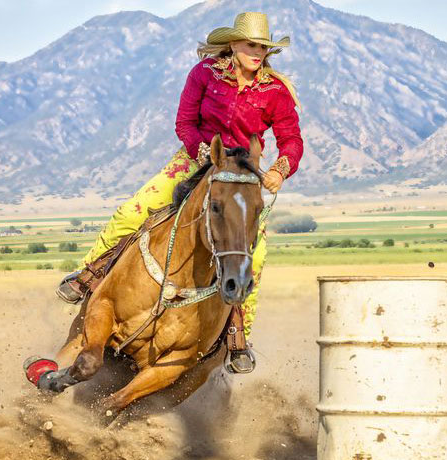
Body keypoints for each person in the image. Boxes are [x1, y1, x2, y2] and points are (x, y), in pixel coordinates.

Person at [54, 11, 304, 374]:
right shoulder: (204, 74)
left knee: (256, 255)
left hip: (243, 174)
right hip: (193, 160)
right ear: (232, 44)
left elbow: (291, 138)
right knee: (131, 213)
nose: (258, 52)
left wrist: (281, 169)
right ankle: (88, 277)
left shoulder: (275, 91)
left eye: (263, 47)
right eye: (252, 45)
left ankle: (237, 337)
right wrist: (200, 149)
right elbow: (184, 122)